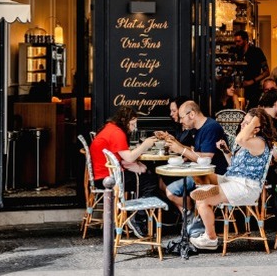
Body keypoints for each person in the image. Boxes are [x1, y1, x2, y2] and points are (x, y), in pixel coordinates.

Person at [188, 108, 275, 251]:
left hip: (245, 187)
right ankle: (208, 199)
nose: (242, 125)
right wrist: (226, 151)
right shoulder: (248, 143)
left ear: (257, 128)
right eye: (243, 121)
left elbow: (240, 138)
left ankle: (210, 238)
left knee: (201, 199)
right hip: (233, 180)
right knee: (201, 175)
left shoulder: (259, 143)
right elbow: (235, 166)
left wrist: (255, 120)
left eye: (247, 123)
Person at [90, 106, 159, 237]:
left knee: (145, 175)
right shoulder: (117, 133)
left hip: (104, 176)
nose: (134, 128)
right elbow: (128, 157)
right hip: (109, 179)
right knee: (150, 180)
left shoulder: (110, 128)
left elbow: (122, 158)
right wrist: (145, 145)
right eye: (132, 124)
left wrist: (136, 165)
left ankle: (139, 216)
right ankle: (138, 217)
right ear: (124, 121)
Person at [162, 101, 228, 215]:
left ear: (192, 114)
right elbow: (195, 152)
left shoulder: (211, 128)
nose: (181, 121)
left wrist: (181, 150)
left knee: (170, 192)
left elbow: (206, 158)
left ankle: (193, 214)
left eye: (182, 117)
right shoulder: (199, 128)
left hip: (212, 175)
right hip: (199, 174)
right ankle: (193, 215)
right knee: (163, 180)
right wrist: (176, 143)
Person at [233, 30, 269, 109]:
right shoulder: (235, 52)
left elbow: (266, 72)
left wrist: (251, 81)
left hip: (254, 90)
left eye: (239, 41)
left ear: (245, 40)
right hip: (238, 89)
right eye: (235, 41)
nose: (236, 44)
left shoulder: (256, 52)